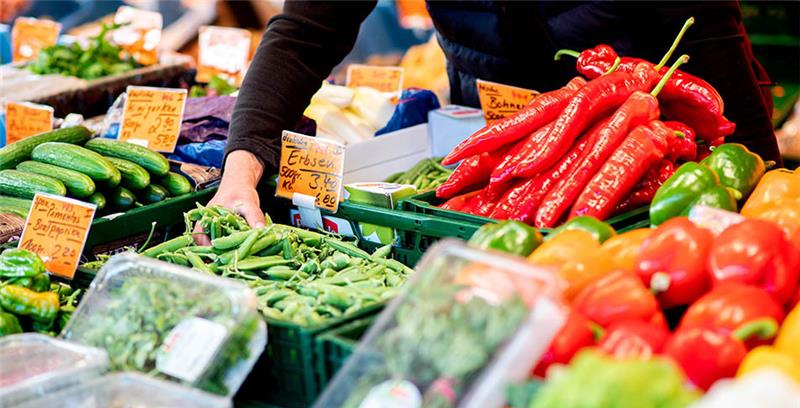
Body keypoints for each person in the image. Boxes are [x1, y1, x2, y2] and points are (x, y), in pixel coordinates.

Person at [210, 0, 778, 229]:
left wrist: (764, 188)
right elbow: (306, 32)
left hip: (640, 149)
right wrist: (241, 171)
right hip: (491, 136)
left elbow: (713, 44)